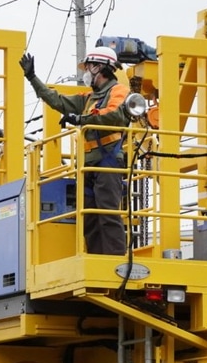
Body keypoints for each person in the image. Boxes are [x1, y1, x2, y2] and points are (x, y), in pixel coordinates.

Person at [20, 46, 131, 255]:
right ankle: (97, 260)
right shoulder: (89, 98)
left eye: (89, 67)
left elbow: (114, 115)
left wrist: (80, 119)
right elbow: (58, 101)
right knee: (89, 217)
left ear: (100, 67)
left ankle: (115, 261)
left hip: (108, 163)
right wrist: (32, 77)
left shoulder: (119, 92)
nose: (86, 71)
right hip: (88, 166)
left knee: (107, 213)